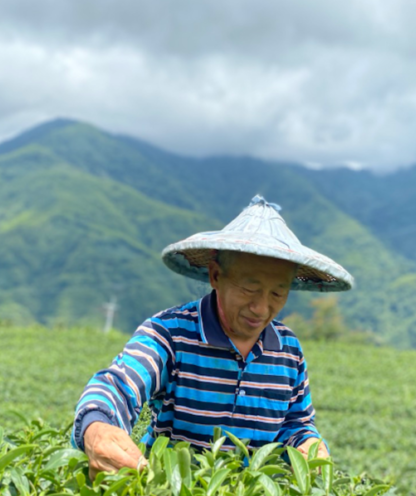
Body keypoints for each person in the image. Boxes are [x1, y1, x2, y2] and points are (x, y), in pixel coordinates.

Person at [71, 195, 353, 478]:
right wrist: (98, 428)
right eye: (249, 289)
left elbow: (296, 423)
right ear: (216, 276)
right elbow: (118, 386)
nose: (262, 308)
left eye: (277, 293)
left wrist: (309, 444)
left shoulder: (287, 350)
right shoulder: (169, 333)